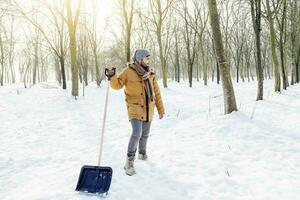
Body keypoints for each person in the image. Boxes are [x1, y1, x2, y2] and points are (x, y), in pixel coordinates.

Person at [105, 49, 165, 176]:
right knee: (137, 133)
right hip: (134, 107)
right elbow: (117, 85)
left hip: (149, 108)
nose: (149, 61)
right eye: (146, 58)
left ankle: (142, 153)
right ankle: (129, 162)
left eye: (149, 59)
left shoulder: (150, 74)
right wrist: (111, 75)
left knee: (145, 134)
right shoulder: (128, 71)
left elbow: (157, 93)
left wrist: (161, 109)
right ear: (139, 59)